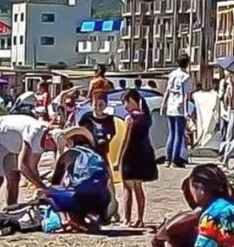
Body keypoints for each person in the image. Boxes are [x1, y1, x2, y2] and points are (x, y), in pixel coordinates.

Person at [0, 114, 56, 236]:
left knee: (14, 178)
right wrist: (44, 187)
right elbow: (23, 166)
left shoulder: (43, 142)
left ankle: (10, 215)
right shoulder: (35, 131)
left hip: (9, 145)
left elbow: (32, 168)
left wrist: (42, 188)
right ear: (49, 137)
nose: (51, 149)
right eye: (53, 146)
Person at [39, 128, 112, 231]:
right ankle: (92, 219)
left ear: (70, 142)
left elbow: (55, 181)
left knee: (48, 193)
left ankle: (69, 221)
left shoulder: (68, 154)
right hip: (102, 200)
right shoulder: (97, 155)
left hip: (79, 200)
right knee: (91, 190)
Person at [118, 89, 158, 228]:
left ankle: (127, 219)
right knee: (138, 188)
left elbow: (125, 141)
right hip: (144, 154)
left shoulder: (130, 119)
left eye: (126, 102)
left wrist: (120, 158)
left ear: (132, 101)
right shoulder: (146, 117)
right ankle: (140, 219)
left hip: (131, 155)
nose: (125, 106)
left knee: (127, 188)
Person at [162, 53, 193, 167]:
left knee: (171, 133)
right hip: (180, 107)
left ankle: (167, 159)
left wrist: (163, 104)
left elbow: (167, 90)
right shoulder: (186, 77)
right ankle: (175, 159)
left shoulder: (172, 74)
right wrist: (186, 111)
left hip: (171, 105)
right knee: (179, 135)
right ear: (187, 63)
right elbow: (186, 95)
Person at [77, 94, 117, 163]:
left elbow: (112, 134)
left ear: (105, 105)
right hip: (87, 153)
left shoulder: (109, 119)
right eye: (95, 105)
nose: (98, 108)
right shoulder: (86, 117)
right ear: (92, 104)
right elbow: (80, 132)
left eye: (101, 105)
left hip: (102, 153)